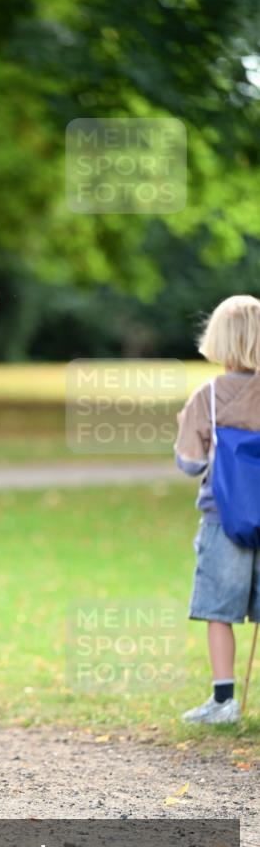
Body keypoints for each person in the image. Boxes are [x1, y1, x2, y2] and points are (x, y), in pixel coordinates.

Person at [175, 294, 260, 724]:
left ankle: (224, 701)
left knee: (219, 611)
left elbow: (189, 463)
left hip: (222, 518)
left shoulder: (206, 398)